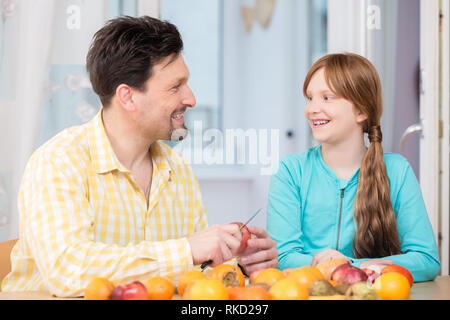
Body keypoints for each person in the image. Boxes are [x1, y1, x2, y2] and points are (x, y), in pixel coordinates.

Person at [1, 16, 277, 297]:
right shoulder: (58, 162)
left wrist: (237, 264)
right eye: (175, 86)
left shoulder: (177, 169)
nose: (191, 98)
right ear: (127, 97)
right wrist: (186, 249)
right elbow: (68, 272)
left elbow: (190, 273)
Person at [267, 53, 440, 282]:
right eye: (310, 98)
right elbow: (284, 257)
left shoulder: (396, 171)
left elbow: (426, 260)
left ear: (361, 111)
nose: (312, 109)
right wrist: (358, 267)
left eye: (327, 97)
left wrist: (348, 267)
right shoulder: (291, 172)